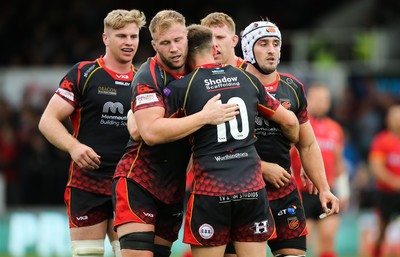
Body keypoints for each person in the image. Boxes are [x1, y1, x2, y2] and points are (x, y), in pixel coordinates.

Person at [112, 10, 239, 257]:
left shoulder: (196, 69)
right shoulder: (148, 76)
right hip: (139, 180)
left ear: (187, 38)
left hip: (174, 185)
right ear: (154, 45)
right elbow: (148, 132)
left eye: (178, 40)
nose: (173, 48)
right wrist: (204, 117)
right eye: (165, 43)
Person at [165, 24, 300, 257]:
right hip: (251, 189)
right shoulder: (246, 79)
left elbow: (151, 129)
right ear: (214, 48)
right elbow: (289, 122)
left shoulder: (179, 88)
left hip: (211, 190)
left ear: (187, 51)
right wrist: (291, 140)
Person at [38, 9, 146, 257]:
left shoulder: (145, 78)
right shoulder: (84, 73)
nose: (129, 42)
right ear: (105, 38)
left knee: (127, 253)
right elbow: (47, 120)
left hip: (129, 181)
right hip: (87, 180)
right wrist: (74, 146)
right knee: (87, 254)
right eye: (121, 36)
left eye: (133, 36)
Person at [240, 20, 340, 257]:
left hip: (283, 191)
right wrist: (261, 167)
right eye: (263, 44)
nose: (272, 50)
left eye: (276, 44)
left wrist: (324, 188)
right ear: (247, 49)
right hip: (242, 190)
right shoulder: (233, 85)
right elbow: (217, 145)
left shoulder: (292, 87)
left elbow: (307, 143)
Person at [290, 82, 349, 257]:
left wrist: (344, 191)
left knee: (328, 238)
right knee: (303, 243)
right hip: (302, 193)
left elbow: (339, 162)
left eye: (325, 99)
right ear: (307, 99)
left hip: (327, 191)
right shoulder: (298, 125)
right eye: (317, 99)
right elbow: (286, 156)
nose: (322, 103)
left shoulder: (335, 129)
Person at [368, 105, 400, 257]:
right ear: (388, 120)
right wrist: (395, 182)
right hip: (386, 193)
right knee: (382, 230)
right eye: (395, 116)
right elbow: (377, 167)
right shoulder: (382, 140)